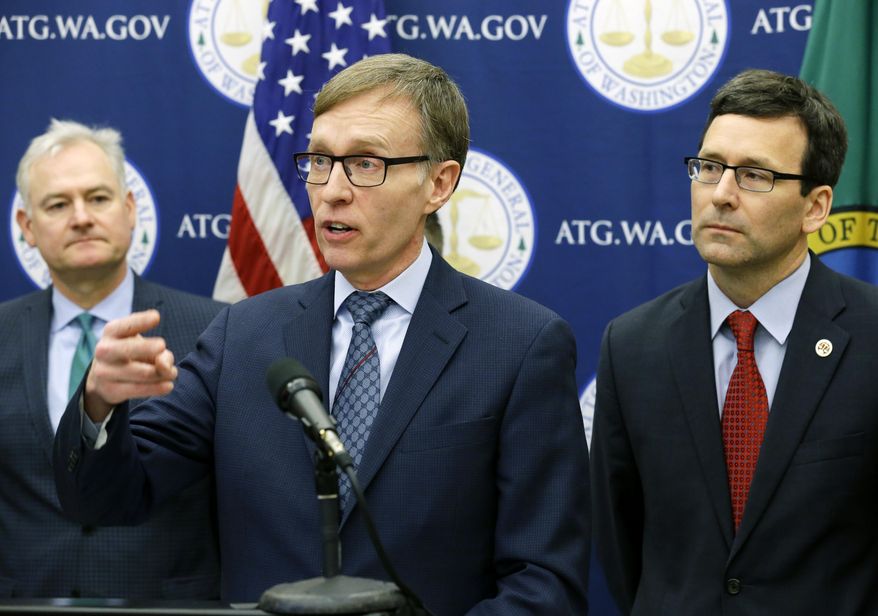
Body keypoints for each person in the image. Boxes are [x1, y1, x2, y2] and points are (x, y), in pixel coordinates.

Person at [54, 54, 590, 614]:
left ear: (438, 183)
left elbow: (543, 584)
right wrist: (99, 404)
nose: (331, 190)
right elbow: (108, 498)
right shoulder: (243, 335)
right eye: (319, 160)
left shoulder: (520, 344)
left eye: (364, 163)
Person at [591, 69, 878, 614]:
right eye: (710, 167)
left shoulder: (871, 337)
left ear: (815, 207)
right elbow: (621, 543)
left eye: (754, 175)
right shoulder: (631, 345)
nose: (721, 195)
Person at [0, 119, 224, 599]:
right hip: (24, 602)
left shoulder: (216, 329)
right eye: (58, 205)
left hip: (167, 604)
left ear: (129, 209)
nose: (81, 217)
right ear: (27, 227)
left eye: (98, 198)